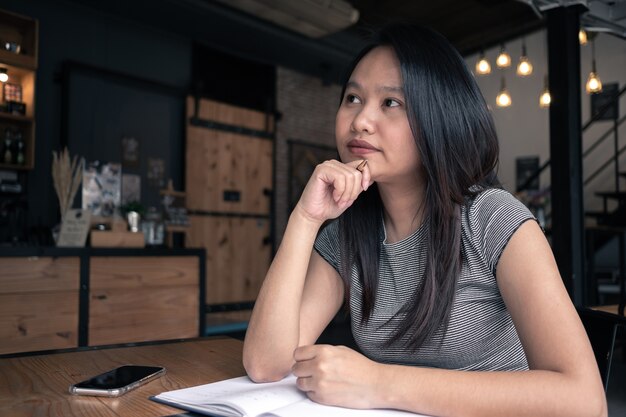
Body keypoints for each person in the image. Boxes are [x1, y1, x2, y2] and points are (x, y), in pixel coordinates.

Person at [243, 23, 607, 417]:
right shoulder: (349, 233)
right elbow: (266, 364)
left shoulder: (492, 219)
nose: (361, 120)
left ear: (439, 117)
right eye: (352, 97)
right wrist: (305, 218)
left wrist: (379, 383)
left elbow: (584, 401)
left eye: (391, 103)